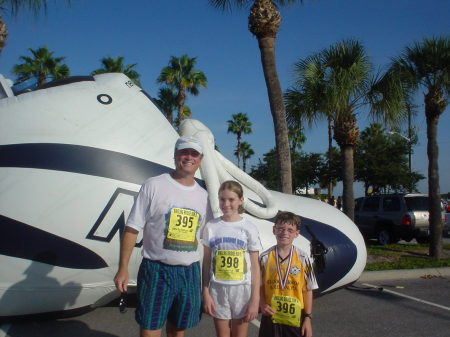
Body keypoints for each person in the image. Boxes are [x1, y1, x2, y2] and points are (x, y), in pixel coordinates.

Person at [114, 135, 212, 337]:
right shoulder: (154, 185)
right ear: (175, 155)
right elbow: (132, 228)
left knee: (178, 328)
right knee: (150, 327)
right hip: (157, 270)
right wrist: (122, 268)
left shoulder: (204, 197)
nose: (189, 157)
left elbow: (207, 242)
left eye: (194, 154)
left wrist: (207, 285)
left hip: (189, 272)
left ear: (200, 159)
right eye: (184, 152)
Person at [202, 180, 262, 337]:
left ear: (241, 200)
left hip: (242, 291)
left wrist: (255, 300)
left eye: (231, 199)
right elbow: (206, 263)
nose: (226, 204)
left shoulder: (249, 228)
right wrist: (206, 292)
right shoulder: (211, 227)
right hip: (218, 290)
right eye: (222, 199)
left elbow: (255, 266)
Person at [259, 211, 318, 337]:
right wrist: (262, 304)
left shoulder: (303, 258)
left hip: (295, 317)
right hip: (271, 315)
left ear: (297, 233)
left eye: (290, 230)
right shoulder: (264, 257)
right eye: (280, 229)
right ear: (274, 230)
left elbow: (308, 289)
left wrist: (307, 318)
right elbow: (258, 285)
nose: (284, 233)